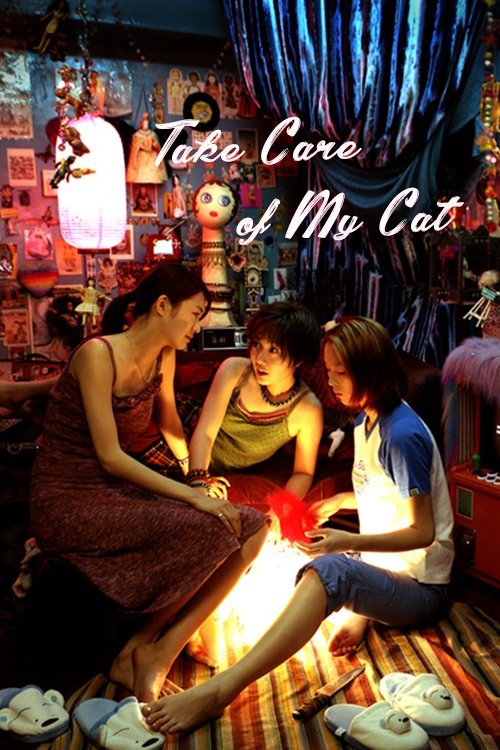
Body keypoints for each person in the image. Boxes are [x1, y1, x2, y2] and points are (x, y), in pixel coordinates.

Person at [142, 316, 454, 735]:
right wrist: (340, 502)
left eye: (341, 373)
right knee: (283, 553)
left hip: (422, 587)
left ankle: (221, 690)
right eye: (329, 371)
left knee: (329, 569)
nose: (332, 383)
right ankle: (358, 610)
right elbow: (388, 493)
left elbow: (423, 532)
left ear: (370, 370)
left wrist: (344, 541)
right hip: (382, 564)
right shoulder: (366, 420)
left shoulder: (401, 435)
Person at [29, 263, 269, 703]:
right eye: (194, 314)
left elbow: (170, 423)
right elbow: (110, 456)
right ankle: (137, 650)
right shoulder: (97, 354)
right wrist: (193, 499)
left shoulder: (164, 355)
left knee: (254, 527)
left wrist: (196, 478)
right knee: (211, 523)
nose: (197, 327)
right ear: (162, 306)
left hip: (112, 493)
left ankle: (152, 649)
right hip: (67, 498)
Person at [188, 301, 323, 501]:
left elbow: (303, 473)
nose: (259, 358)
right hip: (184, 445)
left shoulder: (307, 410)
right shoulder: (235, 370)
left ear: (298, 359)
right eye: (257, 344)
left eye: (273, 350)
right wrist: (199, 480)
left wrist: (281, 511)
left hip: (215, 471)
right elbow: (205, 432)